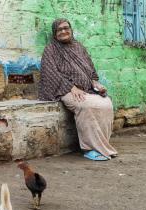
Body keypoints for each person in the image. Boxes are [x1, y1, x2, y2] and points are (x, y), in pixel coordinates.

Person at [39, 18, 118, 161]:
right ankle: (89, 149)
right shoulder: (50, 49)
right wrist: (70, 87)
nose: (63, 31)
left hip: (87, 88)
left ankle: (103, 146)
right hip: (64, 89)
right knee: (86, 106)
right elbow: (49, 73)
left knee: (106, 103)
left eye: (66, 28)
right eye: (59, 29)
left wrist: (95, 83)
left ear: (70, 29)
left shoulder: (78, 47)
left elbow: (90, 70)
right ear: (54, 33)